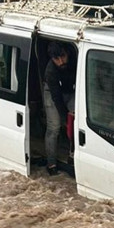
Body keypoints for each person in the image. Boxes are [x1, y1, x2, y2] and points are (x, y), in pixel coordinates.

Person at [43, 41, 76, 176]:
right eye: (57, 59)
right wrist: (64, 118)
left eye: (63, 56)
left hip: (71, 90)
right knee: (54, 127)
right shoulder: (50, 71)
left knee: (76, 123)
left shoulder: (75, 58)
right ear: (52, 59)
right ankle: (51, 163)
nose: (61, 61)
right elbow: (57, 98)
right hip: (52, 92)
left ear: (67, 53)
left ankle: (73, 155)